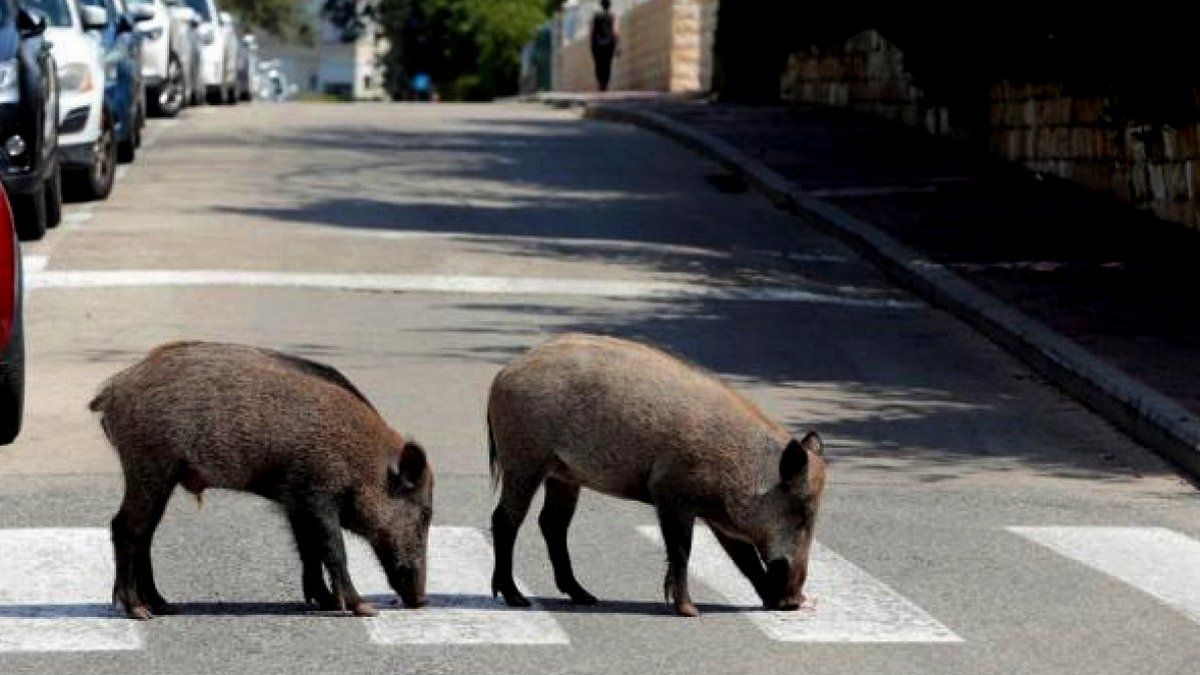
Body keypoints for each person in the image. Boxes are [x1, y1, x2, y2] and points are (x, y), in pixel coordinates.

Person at [590, 0, 619, 92]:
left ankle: (601, 83)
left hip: (598, 43)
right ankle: (605, 83)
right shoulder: (613, 16)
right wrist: (617, 44)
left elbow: (593, 31)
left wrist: (592, 44)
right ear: (609, 6)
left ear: (601, 5)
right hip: (609, 43)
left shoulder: (596, 16)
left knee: (599, 64)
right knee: (607, 64)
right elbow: (615, 31)